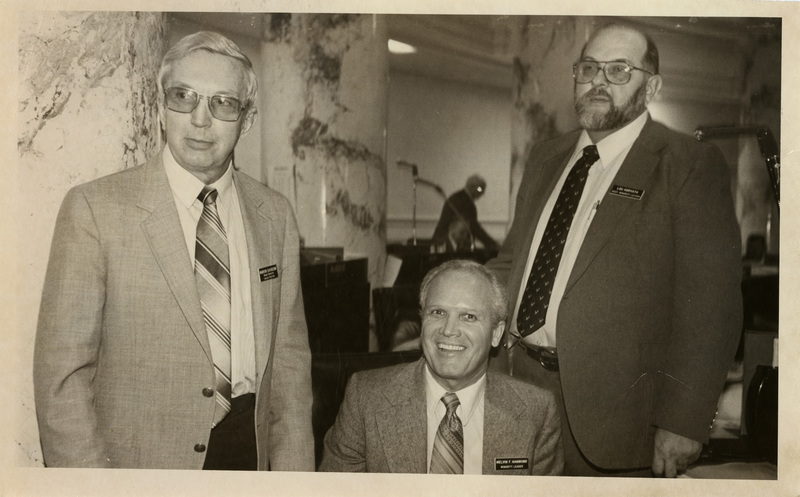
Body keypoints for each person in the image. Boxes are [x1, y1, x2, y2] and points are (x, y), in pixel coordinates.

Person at [33, 31, 314, 470]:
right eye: (183, 96)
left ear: (248, 120)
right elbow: (62, 382)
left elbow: (291, 370)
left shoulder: (275, 215)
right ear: (161, 108)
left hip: (248, 457)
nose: (200, 120)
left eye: (223, 103)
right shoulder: (95, 209)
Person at [487, 24, 742, 478]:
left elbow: (712, 306)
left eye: (619, 70)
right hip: (518, 389)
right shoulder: (547, 156)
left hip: (617, 415)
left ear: (652, 86)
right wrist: (458, 307)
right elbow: (514, 263)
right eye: (588, 68)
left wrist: (685, 420)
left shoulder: (687, 165)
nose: (598, 81)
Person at [319, 259, 563, 475]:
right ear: (422, 319)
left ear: (496, 334)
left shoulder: (536, 413)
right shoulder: (366, 399)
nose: (448, 330)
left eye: (469, 317)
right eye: (437, 312)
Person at [432, 175, 499, 252]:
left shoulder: (458, 197)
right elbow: (474, 226)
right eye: (480, 189)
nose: (482, 193)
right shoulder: (464, 201)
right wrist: (492, 244)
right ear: (471, 187)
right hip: (445, 244)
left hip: (445, 241)